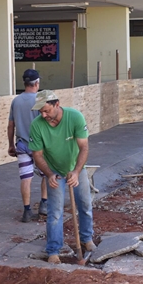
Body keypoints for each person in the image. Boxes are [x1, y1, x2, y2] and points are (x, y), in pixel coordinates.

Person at [29, 90, 95, 264]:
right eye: (40, 112)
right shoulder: (37, 125)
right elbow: (37, 155)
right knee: (55, 212)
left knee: (85, 205)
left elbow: (84, 148)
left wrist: (76, 171)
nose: (43, 115)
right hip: (54, 171)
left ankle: (86, 239)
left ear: (56, 105)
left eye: (46, 110)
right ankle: (53, 250)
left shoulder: (75, 117)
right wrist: (49, 174)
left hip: (76, 168)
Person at [7, 69, 48, 223]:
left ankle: (27, 211)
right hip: (39, 146)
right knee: (46, 174)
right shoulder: (40, 100)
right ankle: (44, 204)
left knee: (26, 178)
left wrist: (11, 145)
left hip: (22, 145)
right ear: (37, 83)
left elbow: (11, 125)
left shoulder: (16, 101)